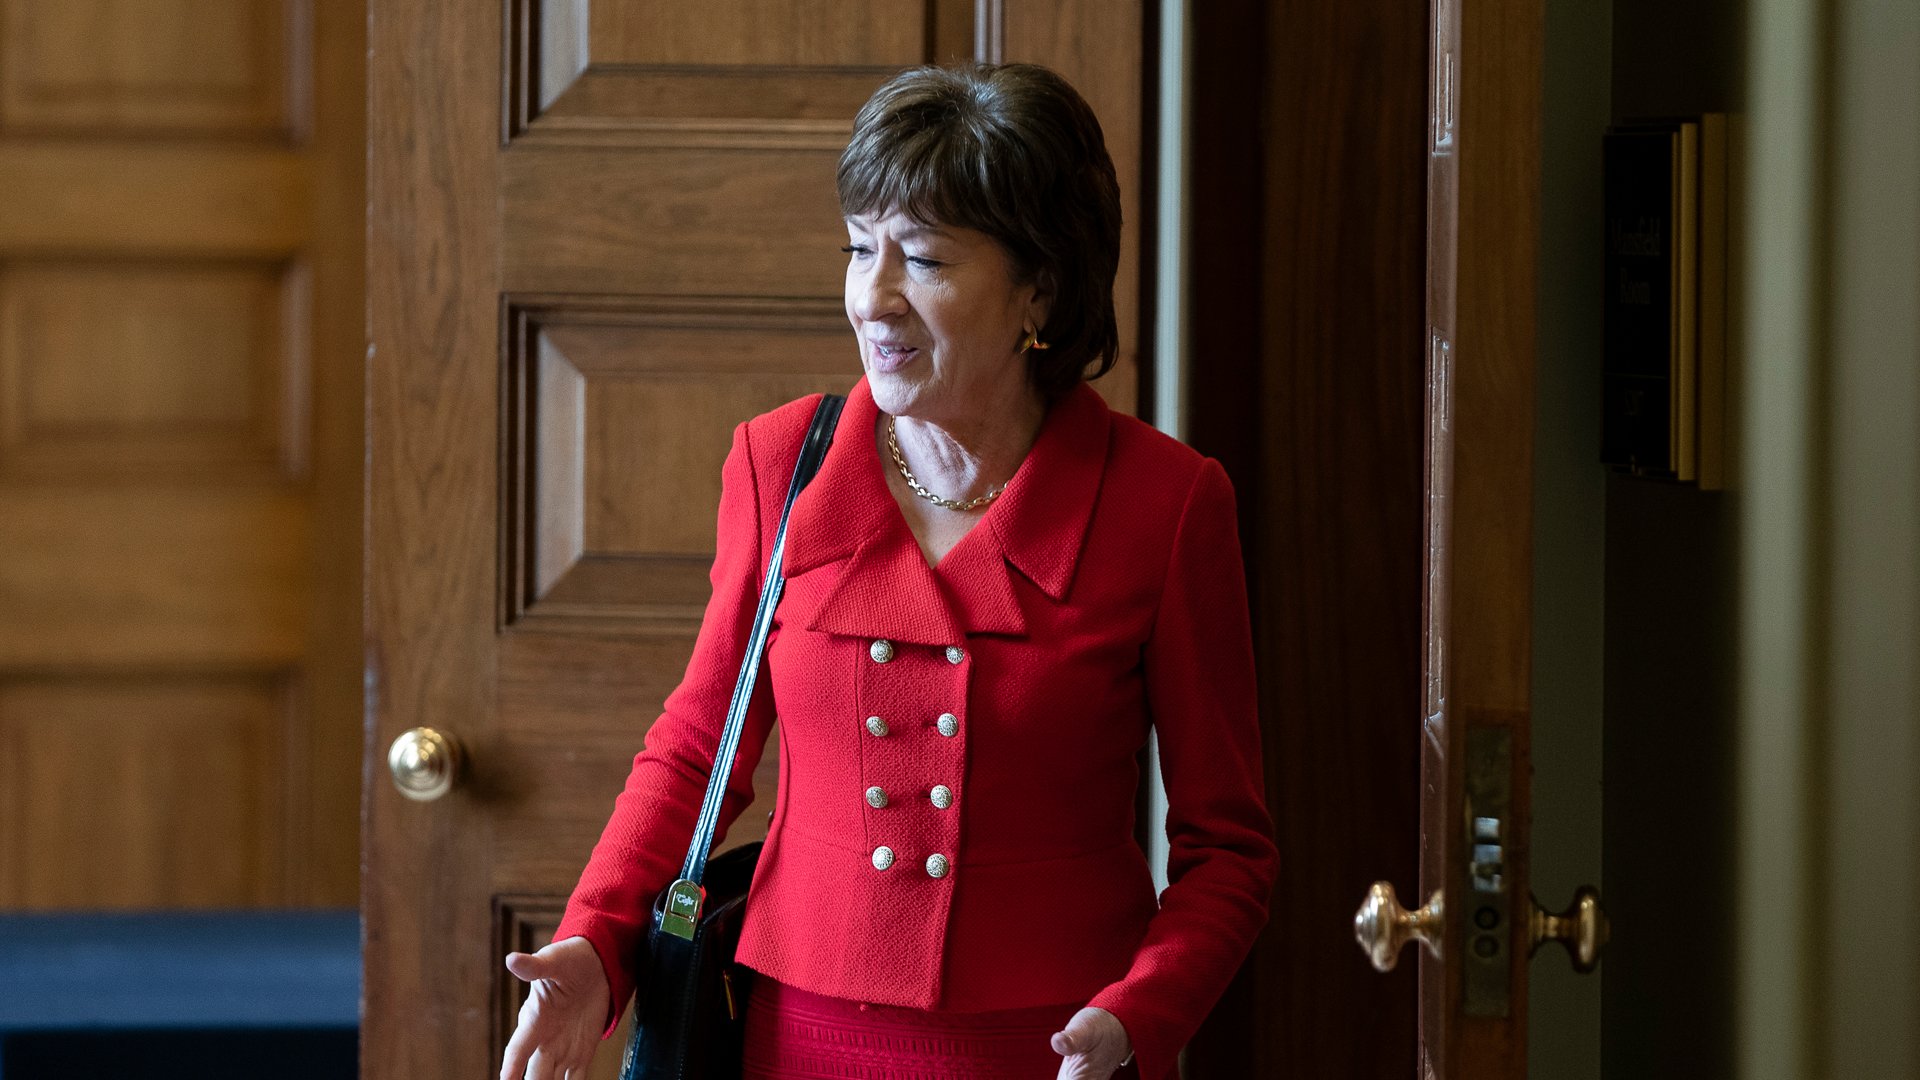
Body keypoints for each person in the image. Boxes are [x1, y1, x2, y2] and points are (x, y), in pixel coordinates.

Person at [498, 61, 1278, 1080]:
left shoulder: (1166, 504)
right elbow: (697, 751)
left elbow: (1231, 851)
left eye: (922, 258)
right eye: (861, 249)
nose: (874, 296)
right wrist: (598, 940)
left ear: (1038, 285)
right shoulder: (778, 464)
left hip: (1056, 1054)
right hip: (797, 1043)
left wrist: (1142, 1015)